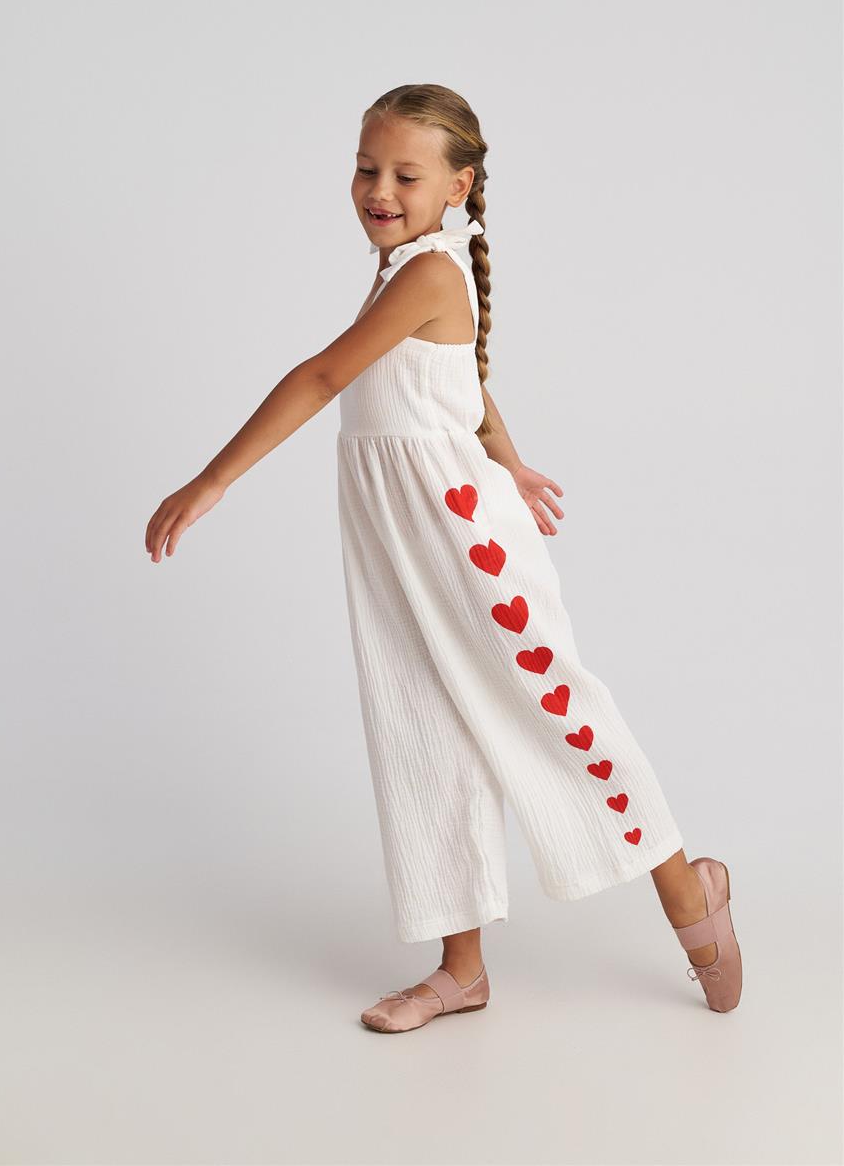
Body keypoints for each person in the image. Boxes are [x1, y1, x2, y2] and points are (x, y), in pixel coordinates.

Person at [145, 83, 742, 1033]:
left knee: (555, 710)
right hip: (399, 542)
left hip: (467, 545)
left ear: (458, 186)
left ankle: (687, 887)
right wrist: (510, 453)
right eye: (366, 168)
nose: (379, 189)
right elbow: (462, 382)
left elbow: (325, 375)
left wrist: (213, 480)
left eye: (406, 175)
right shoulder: (403, 269)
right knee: (421, 729)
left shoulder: (428, 271)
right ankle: (460, 970)